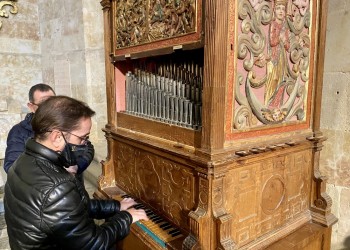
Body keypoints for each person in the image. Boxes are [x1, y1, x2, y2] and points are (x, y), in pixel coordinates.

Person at [4, 95, 148, 249]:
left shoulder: (22, 161)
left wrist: (115, 206)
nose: (85, 144)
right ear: (57, 137)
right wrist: (126, 218)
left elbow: (71, 209)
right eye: (82, 138)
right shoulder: (57, 187)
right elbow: (94, 244)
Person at [4, 83, 56, 173]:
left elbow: (85, 149)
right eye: (43, 104)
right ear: (31, 107)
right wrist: (49, 175)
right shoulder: (19, 131)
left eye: (53, 103)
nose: (50, 108)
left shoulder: (67, 123)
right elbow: (11, 167)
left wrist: (76, 166)